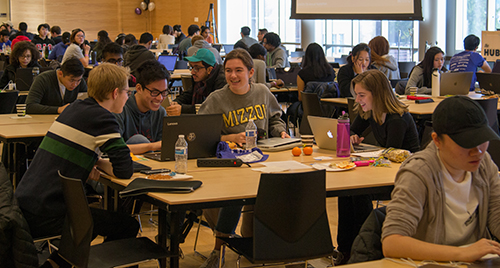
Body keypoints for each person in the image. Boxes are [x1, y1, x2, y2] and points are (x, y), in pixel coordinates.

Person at [15, 62, 139, 248]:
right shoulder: (104, 119)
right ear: (115, 93)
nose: (127, 97)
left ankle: (60, 262)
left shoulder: (75, 108)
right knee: (127, 225)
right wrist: (98, 163)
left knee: (94, 221)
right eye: (127, 92)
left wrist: (94, 162)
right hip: (48, 213)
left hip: (25, 203)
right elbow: (124, 170)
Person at [198, 48, 290, 268]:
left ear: (250, 72)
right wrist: (230, 136)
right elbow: (201, 135)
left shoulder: (263, 93)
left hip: (264, 159)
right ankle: (219, 248)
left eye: (239, 70)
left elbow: (276, 119)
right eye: (228, 70)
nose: (233, 76)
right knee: (236, 195)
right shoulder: (216, 99)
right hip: (232, 165)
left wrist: (281, 132)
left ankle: (275, 248)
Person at [382, 95, 500, 262]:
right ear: (437, 140)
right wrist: (462, 254)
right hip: (431, 263)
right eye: (466, 143)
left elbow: (497, 215)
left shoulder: (484, 163)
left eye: (482, 140)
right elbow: (392, 243)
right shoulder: (419, 172)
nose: (478, 151)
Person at [337, 69, 420, 263]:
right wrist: (351, 137)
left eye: (361, 95)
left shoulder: (397, 119)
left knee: (358, 192)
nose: (357, 100)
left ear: (377, 94)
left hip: (404, 178)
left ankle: (364, 248)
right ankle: (346, 249)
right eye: (357, 95)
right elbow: (351, 130)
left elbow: (393, 154)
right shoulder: (371, 112)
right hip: (385, 172)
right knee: (346, 192)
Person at [114, 59, 169, 154]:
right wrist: (151, 146)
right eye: (154, 92)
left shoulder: (160, 112)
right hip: (128, 163)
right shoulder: (120, 110)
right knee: (137, 139)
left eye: (164, 93)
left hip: (155, 166)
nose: (160, 98)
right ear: (139, 88)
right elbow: (113, 148)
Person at [166, 48, 226, 115]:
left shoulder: (222, 81)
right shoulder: (199, 80)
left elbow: (212, 107)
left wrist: (183, 109)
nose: (192, 72)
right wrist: (176, 102)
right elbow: (188, 95)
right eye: (192, 67)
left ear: (209, 70)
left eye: (197, 68)